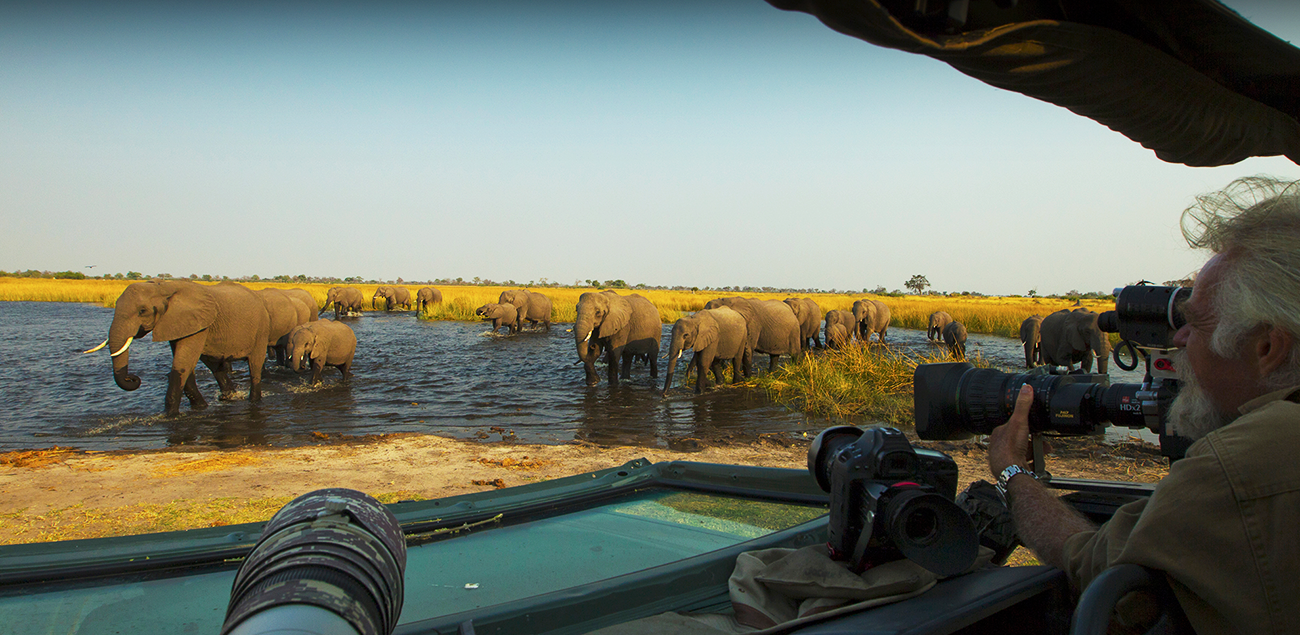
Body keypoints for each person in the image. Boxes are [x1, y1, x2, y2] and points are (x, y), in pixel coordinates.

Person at [986, 176, 1300, 634]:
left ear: (1267, 347)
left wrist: (1013, 470)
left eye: (1196, 324)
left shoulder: (1239, 464)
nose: (1179, 339)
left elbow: (1093, 563)